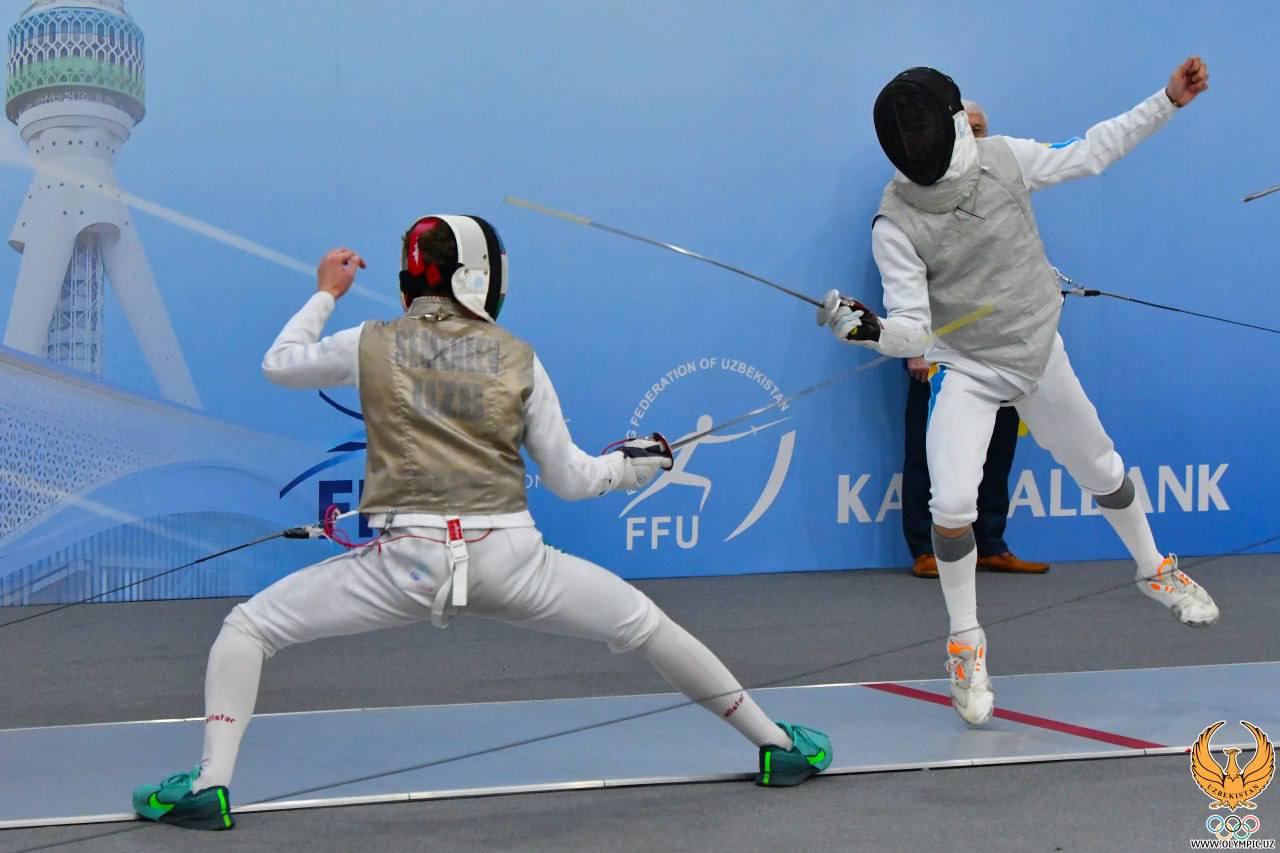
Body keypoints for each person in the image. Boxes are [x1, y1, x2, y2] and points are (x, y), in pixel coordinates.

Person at [132, 215, 831, 831]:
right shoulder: (518, 356)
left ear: (412, 280)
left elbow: (280, 364)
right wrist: (634, 467)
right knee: (648, 626)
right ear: (484, 279)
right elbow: (572, 479)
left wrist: (326, 292)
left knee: (248, 629)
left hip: (406, 565)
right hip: (513, 561)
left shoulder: (370, 342)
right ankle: (777, 747)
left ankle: (209, 786)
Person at [818, 59, 1219, 727]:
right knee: (951, 502)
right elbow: (914, 328)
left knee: (1102, 469)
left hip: (1036, 353)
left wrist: (1167, 101)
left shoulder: (1003, 159)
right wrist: (873, 331)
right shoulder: (895, 222)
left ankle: (1155, 569)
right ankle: (965, 642)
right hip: (967, 367)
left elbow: (1093, 151)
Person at [900, 99, 1048, 579]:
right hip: (944, 355)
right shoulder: (916, 196)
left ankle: (990, 543)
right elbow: (906, 284)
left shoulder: (1002, 187)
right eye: (967, 129)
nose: (976, 138)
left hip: (1002, 348)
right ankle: (926, 548)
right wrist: (916, 349)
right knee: (933, 454)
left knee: (999, 450)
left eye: (981, 130)